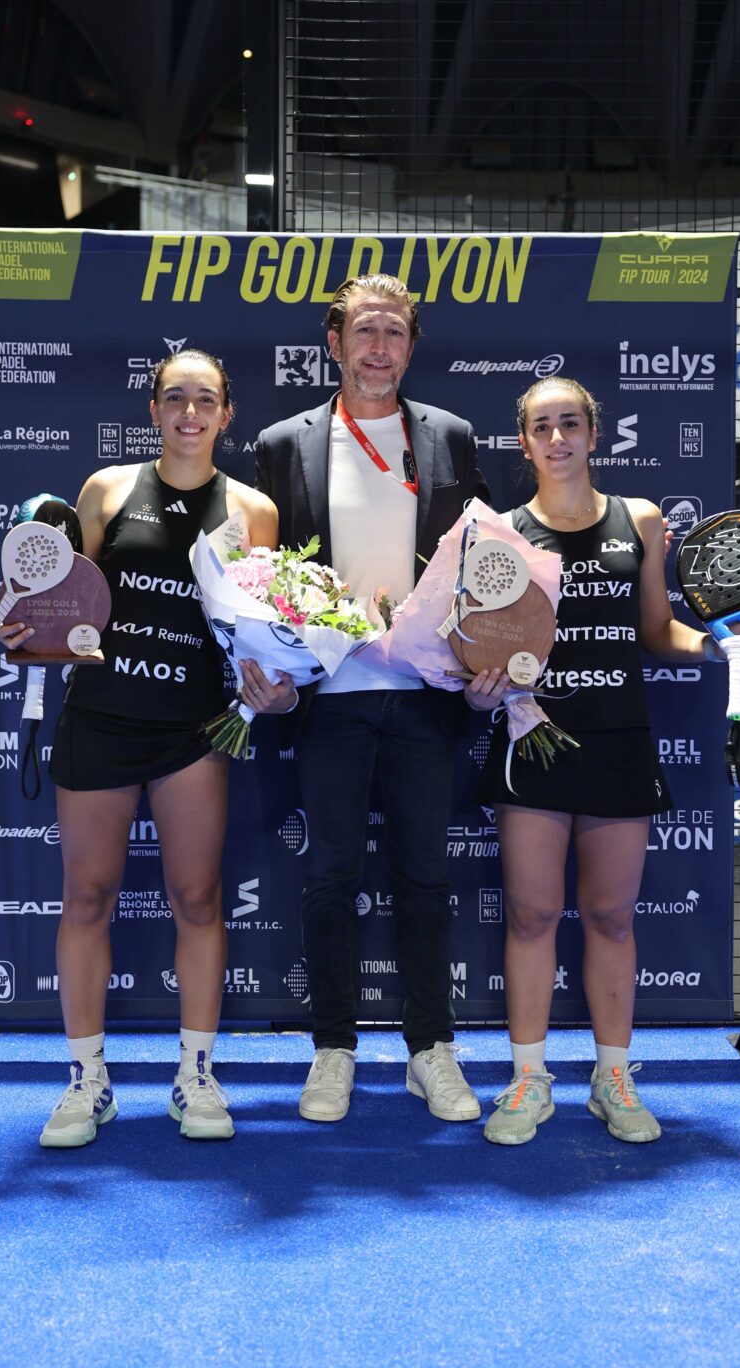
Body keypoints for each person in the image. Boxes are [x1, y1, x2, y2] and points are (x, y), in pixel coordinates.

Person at [466, 376, 740, 1147]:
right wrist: (478, 686)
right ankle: (528, 1079)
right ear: (524, 442)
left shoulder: (641, 520)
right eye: (542, 427)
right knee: (532, 914)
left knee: (609, 916)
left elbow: (657, 631)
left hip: (620, 742)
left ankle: (612, 1077)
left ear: (594, 435)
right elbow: (478, 646)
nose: (557, 438)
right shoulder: (500, 533)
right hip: (532, 742)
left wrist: (720, 647)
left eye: (570, 423)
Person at [245, 273, 490, 1124]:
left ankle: (432, 1051)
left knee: (425, 877)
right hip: (329, 698)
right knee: (328, 879)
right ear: (335, 343)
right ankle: (332, 1051)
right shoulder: (284, 443)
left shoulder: (450, 436)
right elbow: (261, 572)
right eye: (364, 332)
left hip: (425, 695)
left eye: (394, 333)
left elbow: (478, 564)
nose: (378, 349)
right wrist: (270, 662)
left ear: (411, 348)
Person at [39, 348, 291, 1148]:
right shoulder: (107, 490)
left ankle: (196, 1075)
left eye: (205, 399)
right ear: (153, 410)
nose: (189, 413)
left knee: (199, 899)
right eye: (175, 398)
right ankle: (87, 1080)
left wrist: (277, 685)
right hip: (101, 720)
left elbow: (261, 631)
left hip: (192, 731)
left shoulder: (252, 510)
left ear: (226, 414)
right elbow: (64, 605)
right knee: (86, 897)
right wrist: (25, 631)